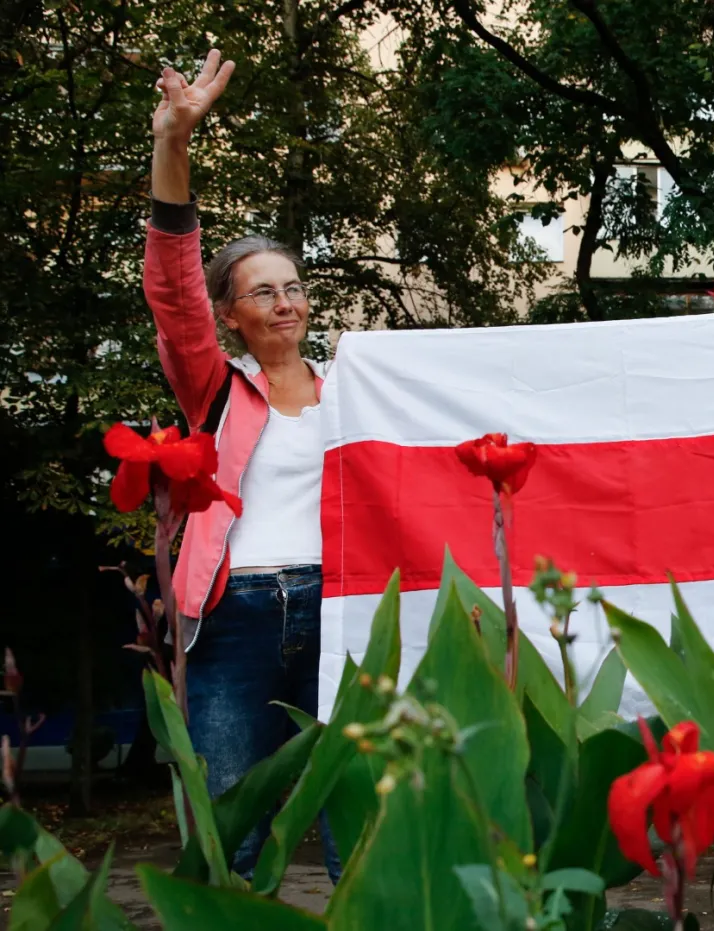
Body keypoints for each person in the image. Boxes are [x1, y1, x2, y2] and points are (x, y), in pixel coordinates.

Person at [147, 49, 338, 881]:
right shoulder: (218, 390)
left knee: (357, 812)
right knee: (233, 829)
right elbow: (173, 290)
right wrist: (175, 145)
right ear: (229, 315)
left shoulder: (359, 396)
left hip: (341, 611)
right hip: (238, 620)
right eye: (263, 291)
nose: (285, 301)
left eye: (293, 286)